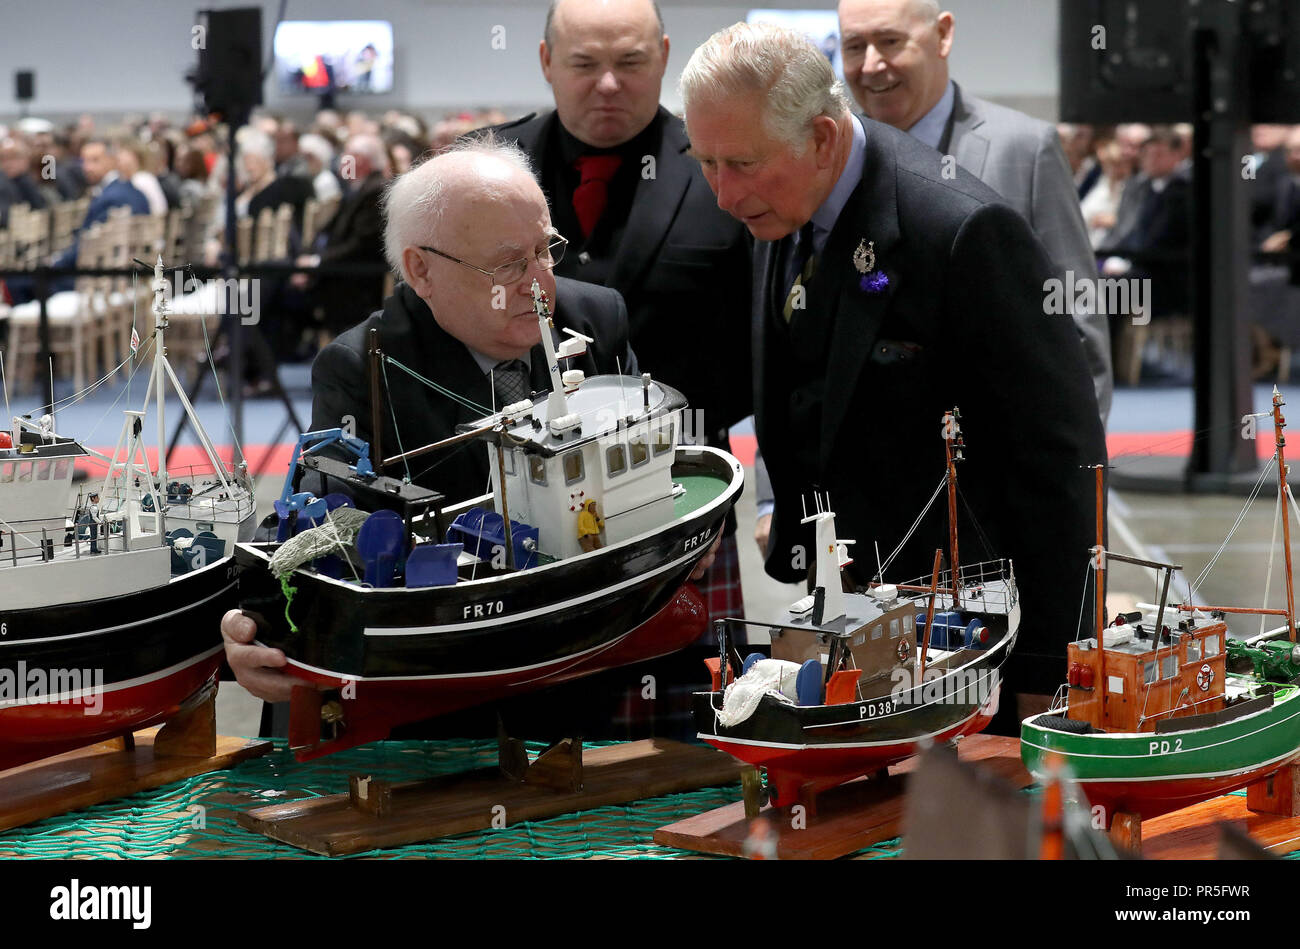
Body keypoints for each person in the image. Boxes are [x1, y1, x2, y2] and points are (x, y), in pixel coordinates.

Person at [680, 22, 1106, 727]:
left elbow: (1059, 461)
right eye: (706, 163)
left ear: (821, 138)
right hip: (850, 622)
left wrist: (1049, 666)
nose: (722, 194)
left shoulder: (965, 231)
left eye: (741, 165)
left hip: (971, 647)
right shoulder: (775, 201)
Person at [222, 137, 692, 708]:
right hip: (442, 690)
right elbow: (325, 524)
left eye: (545, 250)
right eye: (507, 264)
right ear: (421, 270)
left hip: (593, 666)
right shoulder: (359, 366)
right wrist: (262, 625)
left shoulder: (597, 317)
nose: (537, 282)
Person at [481, 0, 754, 626]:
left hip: (679, 487)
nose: (608, 83)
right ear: (547, 61)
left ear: (662, 56)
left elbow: (762, 344)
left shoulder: (727, 175)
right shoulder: (483, 172)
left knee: (682, 710)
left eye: (630, 61)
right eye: (584, 63)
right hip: (511, 501)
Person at [836, 0, 1111, 423]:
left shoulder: (1025, 149)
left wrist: (1075, 470)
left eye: (890, 41)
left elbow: (1077, 322)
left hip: (996, 461)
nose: (871, 65)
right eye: (854, 46)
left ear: (943, 34)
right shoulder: (832, 156)